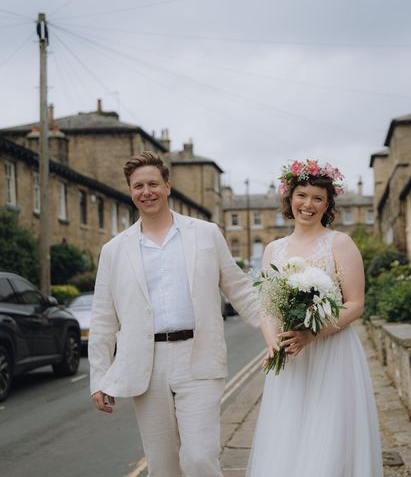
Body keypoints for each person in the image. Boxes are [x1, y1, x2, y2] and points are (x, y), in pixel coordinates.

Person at [88, 151, 277, 477]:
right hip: (146, 367)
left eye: (153, 183)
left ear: (168, 186)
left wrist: (275, 332)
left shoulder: (205, 234)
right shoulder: (114, 251)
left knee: (200, 457)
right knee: (162, 465)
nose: (146, 192)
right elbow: (104, 317)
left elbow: (241, 289)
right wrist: (99, 377)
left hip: (199, 357)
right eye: (138, 186)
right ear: (130, 191)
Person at [246, 160, 384, 476]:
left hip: (332, 354)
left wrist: (312, 335)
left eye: (317, 198)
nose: (308, 204)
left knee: (329, 438)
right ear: (289, 198)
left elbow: (355, 305)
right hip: (292, 358)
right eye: (302, 195)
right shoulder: (273, 250)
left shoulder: (340, 243)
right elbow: (267, 306)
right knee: (288, 436)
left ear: (327, 204)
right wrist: (273, 343)